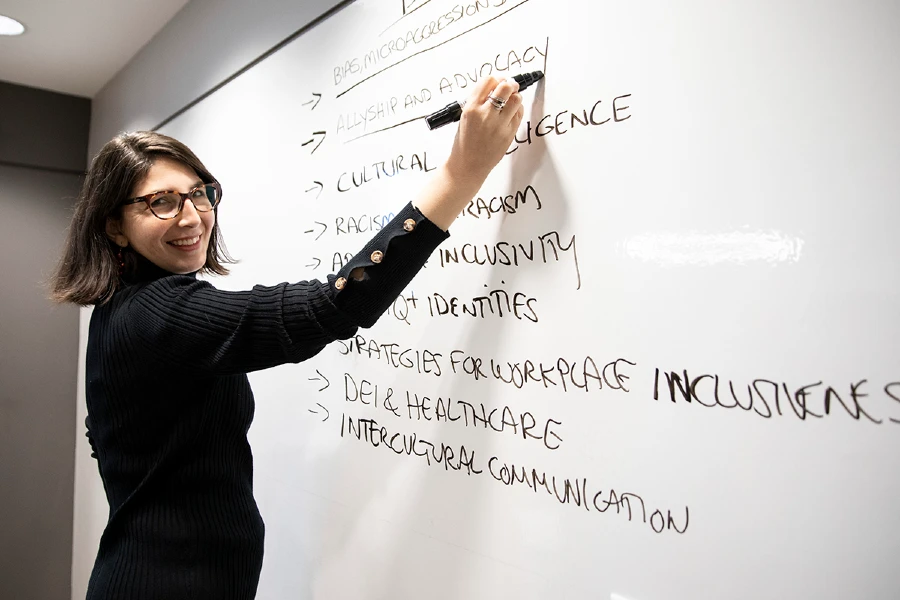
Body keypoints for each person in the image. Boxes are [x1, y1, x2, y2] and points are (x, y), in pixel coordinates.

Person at [50, 75, 524, 600]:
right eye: (161, 202)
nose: (192, 216)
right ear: (114, 226)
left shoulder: (118, 308)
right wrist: (463, 172)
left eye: (200, 194)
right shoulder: (156, 312)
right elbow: (335, 305)